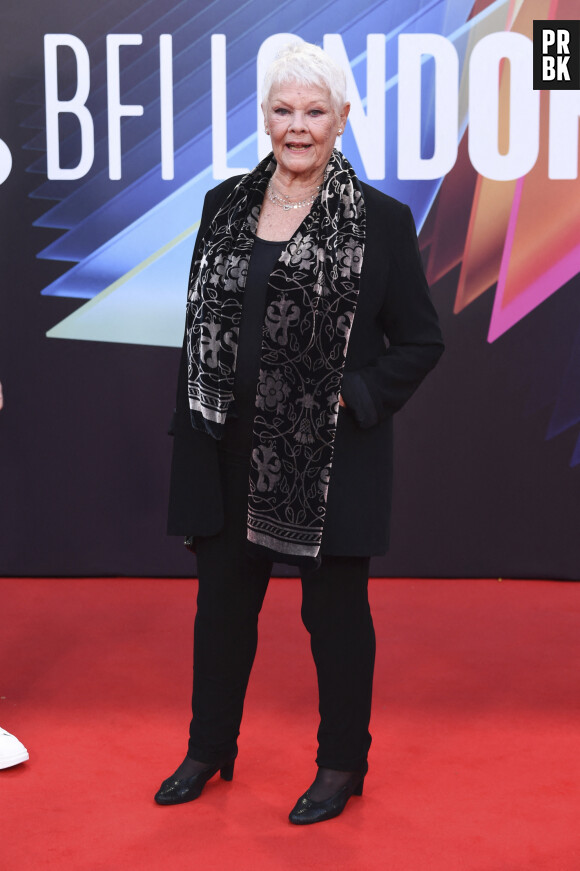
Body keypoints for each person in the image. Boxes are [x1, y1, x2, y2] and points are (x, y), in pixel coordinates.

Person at [156, 42, 444, 824]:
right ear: (265, 117)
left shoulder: (381, 221)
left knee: (335, 617)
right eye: (284, 110)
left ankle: (342, 762)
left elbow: (422, 340)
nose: (298, 127)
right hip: (223, 446)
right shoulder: (223, 205)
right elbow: (195, 329)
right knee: (220, 608)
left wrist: (352, 396)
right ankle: (209, 747)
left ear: (343, 119)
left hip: (328, 459)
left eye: (315, 111)